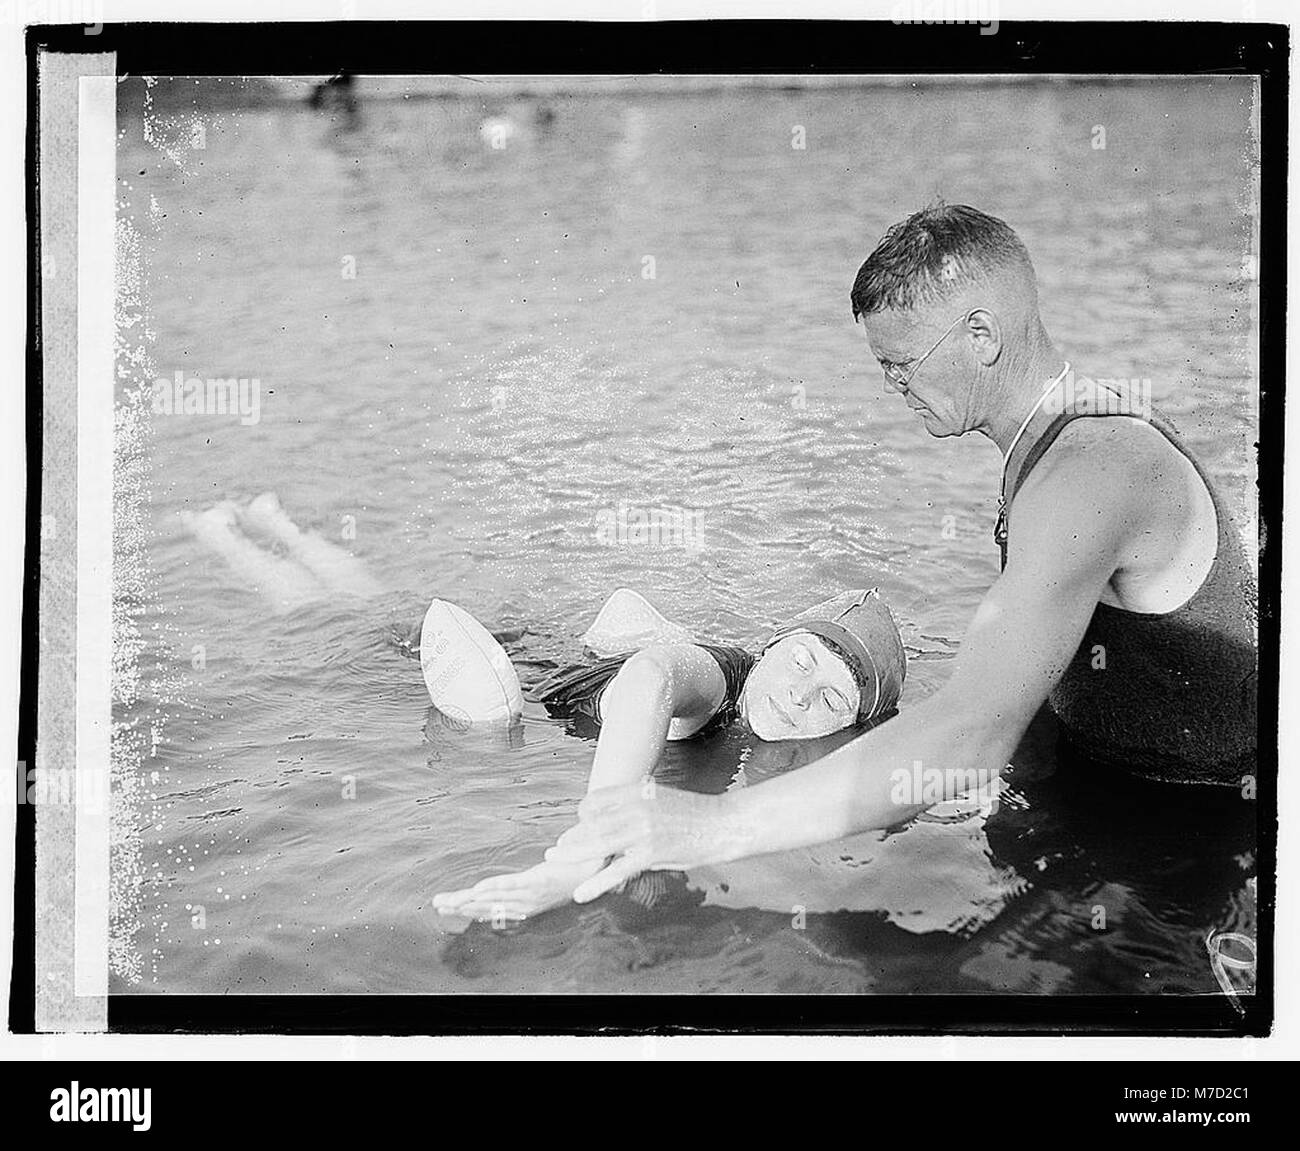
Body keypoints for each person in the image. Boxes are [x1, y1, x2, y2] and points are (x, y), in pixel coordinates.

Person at [539, 202, 1258, 905]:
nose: (896, 388)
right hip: (1116, 811)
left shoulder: (1092, 466)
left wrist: (709, 823)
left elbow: (973, 729)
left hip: (1189, 855)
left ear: (981, 334)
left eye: (902, 364)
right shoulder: (1056, 443)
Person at [431, 588, 906, 920]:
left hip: (611, 660)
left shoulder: (811, 744)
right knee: (491, 720)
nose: (801, 696)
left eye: (830, 700)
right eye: (801, 662)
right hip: (553, 693)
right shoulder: (720, 682)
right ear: (769, 648)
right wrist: (586, 852)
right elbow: (652, 676)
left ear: (849, 729)